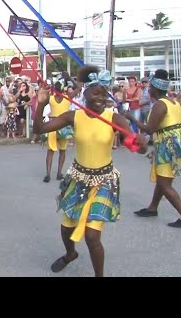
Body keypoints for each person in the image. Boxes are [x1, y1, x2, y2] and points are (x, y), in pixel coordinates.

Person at [33, 65, 148, 277]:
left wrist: (140, 143)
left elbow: (137, 147)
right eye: (96, 93)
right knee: (66, 229)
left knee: (92, 236)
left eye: (104, 94)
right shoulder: (73, 117)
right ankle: (70, 254)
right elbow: (39, 130)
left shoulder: (114, 118)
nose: (100, 98)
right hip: (78, 178)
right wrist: (40, 104)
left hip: (104, 181)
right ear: (84, 93)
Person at [128, 70, 181, 228]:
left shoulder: (159, 105)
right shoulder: (173, 102)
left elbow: (149, 129)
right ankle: (152, 208)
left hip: (167, 146)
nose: (148, 89)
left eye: (150, 86)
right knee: (162, 178)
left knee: (165, 185)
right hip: (174, 144)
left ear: (155, 89)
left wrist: (131, 119)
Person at [43, 81, 73, 183]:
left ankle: (48, 174)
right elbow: (78, 87)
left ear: (54, 89)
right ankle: (59, 173)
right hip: (64, 126)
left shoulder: (51, 98)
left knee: (50, 151)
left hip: (53, 125)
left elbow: (41, 103)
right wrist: (69, 78)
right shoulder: (68, 97)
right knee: (62, 151)